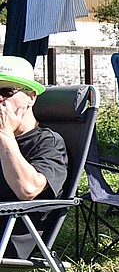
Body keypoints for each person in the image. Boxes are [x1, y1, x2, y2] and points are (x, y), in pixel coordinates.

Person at [0, 56, 68, 259]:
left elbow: (27, 189)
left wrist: (5, 134)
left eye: (6, 92)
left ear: (31, 97)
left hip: (9, 238)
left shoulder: (48, 143)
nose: (0, 100)